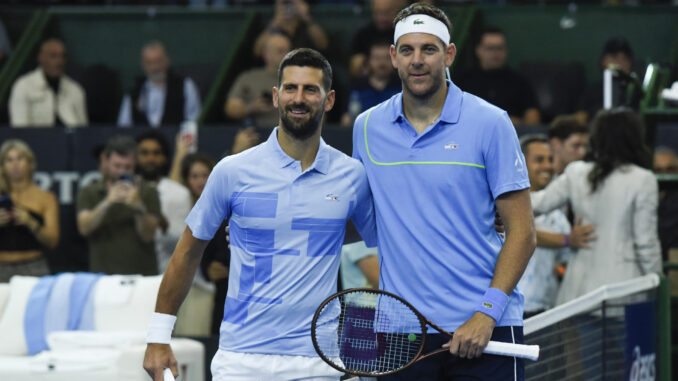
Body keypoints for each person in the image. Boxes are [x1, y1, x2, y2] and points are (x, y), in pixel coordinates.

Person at [143, 48, 377, 381]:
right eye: (290, 88)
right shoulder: (232, 171)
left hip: (318, 362)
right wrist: (158, 336)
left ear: (329, 100)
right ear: (276, 96)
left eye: (311, 89)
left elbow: (379, 242)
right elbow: (187, 252)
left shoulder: (352, 175)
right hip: (241, 360)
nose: (299, 98)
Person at [352, 3, 536, 380]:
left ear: (449, 54)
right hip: (402, 334)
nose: (417, 60)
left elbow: (523, 232)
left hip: (486, 329)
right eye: (407, 50)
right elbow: (361, 224)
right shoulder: (367, 128)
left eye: (429, 49)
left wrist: (486, 313)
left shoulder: (491, 122)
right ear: (393, 57)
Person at [531, 108, 662, 305]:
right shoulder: (643, 180)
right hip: (625, 292)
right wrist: (657, 279)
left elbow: (536, 203)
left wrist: (493, 194)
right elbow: (645, 242)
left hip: (580, 293)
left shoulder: (576, 173)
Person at [516, 135, 589, 317]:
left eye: (550, 160)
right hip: (511, 310)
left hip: (546, 312)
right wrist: (567, 239)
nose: (547, 166)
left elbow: (563, 263)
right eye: (539, 160)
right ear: (520, 163)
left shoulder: (558, 218)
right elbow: (522, 232)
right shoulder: (502, 204)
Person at [76, 135, 161, 275]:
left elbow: (148, 235)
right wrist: (107, 202)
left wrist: (138, 207)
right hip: (103, 277)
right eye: (117, 166)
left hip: (141, 276)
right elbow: (84, 228)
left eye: (127, 167)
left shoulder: (148, 191)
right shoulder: (89, 192)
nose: (122, 171)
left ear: (135, 164)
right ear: (106, 161)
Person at [455, 27, 541, 126]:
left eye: (500, 48)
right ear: (478, 50)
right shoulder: (463, 80)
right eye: (490, 48)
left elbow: (533, 118)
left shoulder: (519, 81)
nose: (496, 53)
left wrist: (515, 124)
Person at [0, 140, 59, 282]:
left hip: (33, 266)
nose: (15, 164)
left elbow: (52, 241)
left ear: (30, 162)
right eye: (9, 160)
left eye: (20, 158)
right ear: (2, 165)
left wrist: (31, 222)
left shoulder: (45, 197)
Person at [118, 41, 201, 127]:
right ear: (143, 65)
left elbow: (193, 121)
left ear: (167, 61)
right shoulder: (133, 93)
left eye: (158, 61)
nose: (154, 67)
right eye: (149, 62)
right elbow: (124, 126)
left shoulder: (185, 86)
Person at [9, 38, 88, 127]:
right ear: (41, 58)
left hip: (68, 139)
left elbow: (83, 131)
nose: (59, 61)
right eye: (53, 56)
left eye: (63, 56)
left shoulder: (75, 89)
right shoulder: (23, 86)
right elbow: (19, 128)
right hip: (36, 139)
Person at [225, 31, 292, 127]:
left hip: (293, 135)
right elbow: (230, 108)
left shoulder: (301, 79)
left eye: (289, 51)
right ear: (266, 54)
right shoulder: (249, 78)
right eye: (280, 51)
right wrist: (251, 108)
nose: (287, 55)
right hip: (259, 134)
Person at [575, 37, 638, 124]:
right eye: (614, 57)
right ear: (603, 61)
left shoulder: (635, 93)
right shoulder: (592, 90)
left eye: (624, 58)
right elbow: (579, 120)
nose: (619, 62)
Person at [341, 38, 401, 127]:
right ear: (368, 61)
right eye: (377, 58)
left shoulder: (401, 86)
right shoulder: (356, 87)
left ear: (394, 59)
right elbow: (346, 119)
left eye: (386, 58)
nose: (382, 63)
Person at [349, 0, 407, 79]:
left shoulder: (404, 33)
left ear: (397, 11)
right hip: (370, 83)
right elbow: (354, 67)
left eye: (387, 12)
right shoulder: (363, 35)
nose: (382, 17)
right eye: (378, 12)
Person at [253, 0, 328, 58]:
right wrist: (275, 23)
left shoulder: (307, 26)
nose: (289, 9)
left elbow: (323, 44)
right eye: (285, 4)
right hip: (278, 71)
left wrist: (306, 16)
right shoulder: (273, 26)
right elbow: (258, 51)